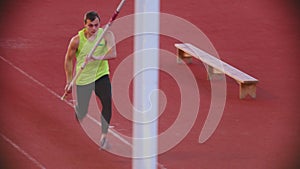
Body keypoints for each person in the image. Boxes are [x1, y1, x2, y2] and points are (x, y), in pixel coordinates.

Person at [63, 11, 116, 149]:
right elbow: (68, 60)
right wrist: (69, 81)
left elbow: (113, 53)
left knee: (107, 103)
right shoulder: (77, 40)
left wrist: (96, 58)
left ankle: (104, 137)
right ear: (85, 25)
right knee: (82, 113)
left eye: (96, 25)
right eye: (90, 26)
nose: (94, 29)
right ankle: (79, 109)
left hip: (100, 75)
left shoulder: (106, 34)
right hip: (83, 79)